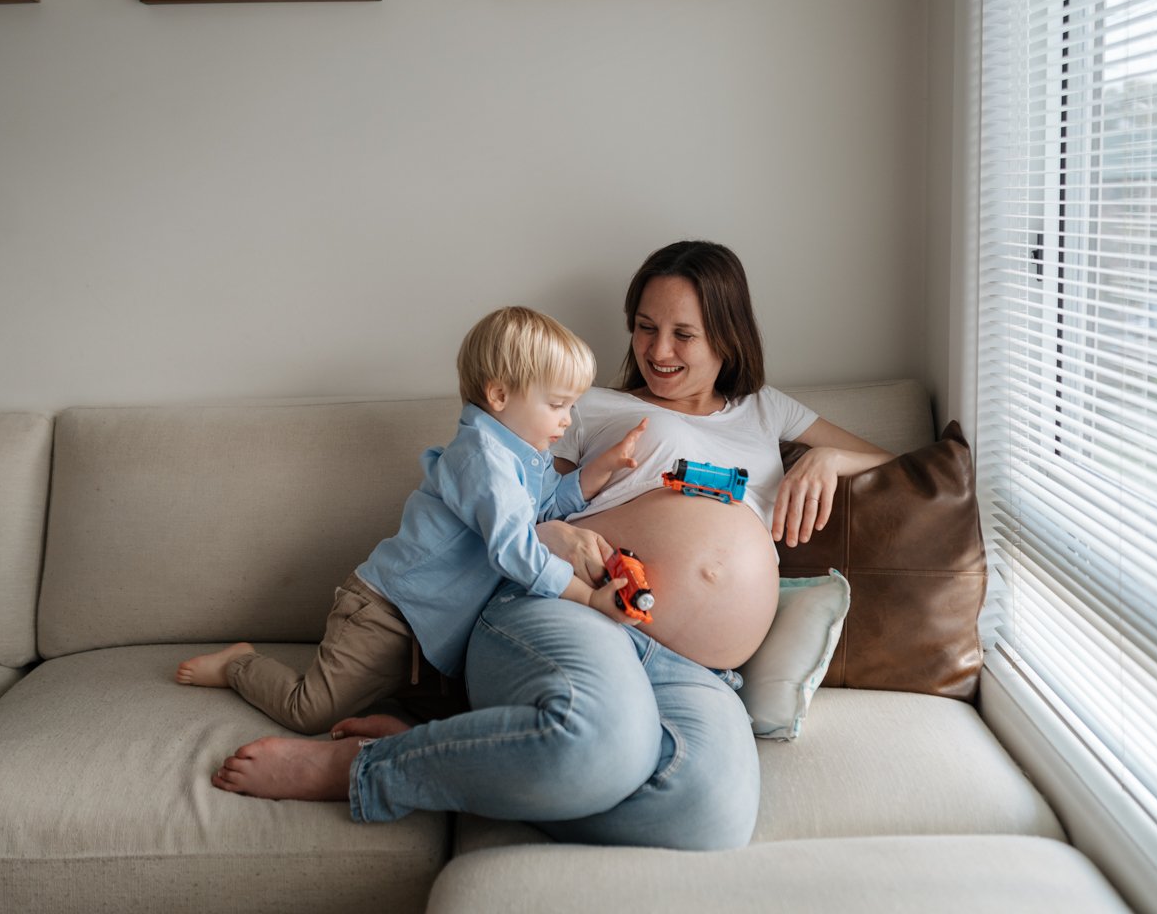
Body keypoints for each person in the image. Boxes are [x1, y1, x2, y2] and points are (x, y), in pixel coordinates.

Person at [210, 241, 894, 851]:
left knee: (708, 813)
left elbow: (883, 457)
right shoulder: (583, 405)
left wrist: (825, 461)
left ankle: (468, 752)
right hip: (574, 612)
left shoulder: (768, 411)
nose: (658, 352)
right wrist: (559, 535)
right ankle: (361, 771)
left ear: (728, 338)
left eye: (684, 334)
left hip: (698, 669)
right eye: (646, 328)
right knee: (605, 746)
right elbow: (504, 507)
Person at [176, 305, 647, 735]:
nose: (567, 421)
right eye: (557, 404)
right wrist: (586, 597)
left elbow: (542, 510)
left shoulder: (520, 459)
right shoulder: (481, 460)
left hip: (426, 631)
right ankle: (239, 664)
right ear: (500, 395)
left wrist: (601, 469)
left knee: (459, 713)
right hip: (384, 611)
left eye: (571, 406)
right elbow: (513, 549)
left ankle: (385, 714)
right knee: (309, 711)